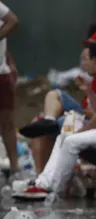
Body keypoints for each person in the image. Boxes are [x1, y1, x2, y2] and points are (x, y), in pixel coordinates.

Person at [15, 44, 96, 200]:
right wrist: (87, 90)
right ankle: (43, 183)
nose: (82, 64)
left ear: (95, 60)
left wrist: (81, 132)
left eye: (85, 59)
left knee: (71, 141)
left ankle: (55, 189)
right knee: (64, 136)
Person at [20, 30, 96, 173]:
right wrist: (87, 91)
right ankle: (40, 177)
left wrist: (81, 129)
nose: (85, 55)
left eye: (90, 52)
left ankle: (46, 179)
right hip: (88, 116)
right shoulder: (94, 76)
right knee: (46, 116)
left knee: (57, 126)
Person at [0, 2, 18, 175]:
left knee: (7, 123)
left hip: (1, 73)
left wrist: (10, 63)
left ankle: (15, 169)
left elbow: (12, 21)